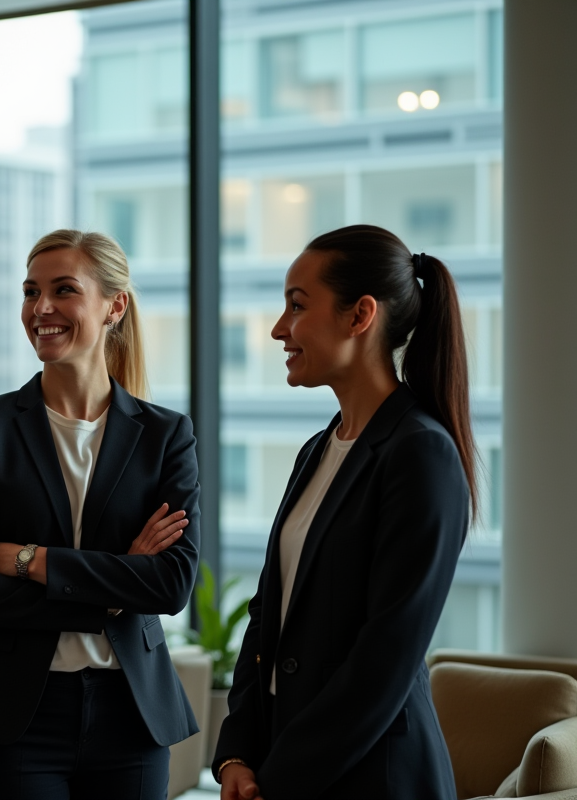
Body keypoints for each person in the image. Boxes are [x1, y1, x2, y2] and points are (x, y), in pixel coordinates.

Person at [213, 224, 474, 800]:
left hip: (373, 776)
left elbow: (386, 656)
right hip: (286, 766)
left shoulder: (421, 452)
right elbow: (268, 615)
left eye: (297, 306)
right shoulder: (317, 449)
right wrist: (235, 752)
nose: (280, 328)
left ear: (360, 316)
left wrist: (277, 782)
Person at [0, 230, 201, 800]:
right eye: (31, 291)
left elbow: (172, 583)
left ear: (115, 305)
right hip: (15, 715)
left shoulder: (164, 435)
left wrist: (33, 561)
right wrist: (115, 584)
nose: (41, 309)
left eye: (64, 290)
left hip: (131, 714)